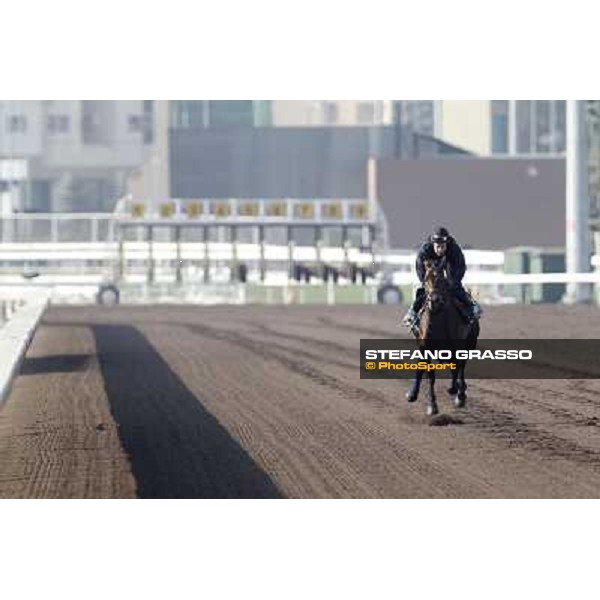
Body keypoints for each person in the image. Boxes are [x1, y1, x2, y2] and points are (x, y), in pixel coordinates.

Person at [402, 227, 482, 332]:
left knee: (456, 289)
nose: (440, 250)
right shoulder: (425, 251)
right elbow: (420, 269)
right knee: (422, 292)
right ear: (433, 244)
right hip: (431, 271)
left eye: (443, 247)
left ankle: (472, 308)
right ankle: (412, 314)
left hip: (450, 267)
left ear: (447, 244)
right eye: (438, 247)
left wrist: (453, 283)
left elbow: (460, 268)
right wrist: (426, 284)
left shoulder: (454, 249)